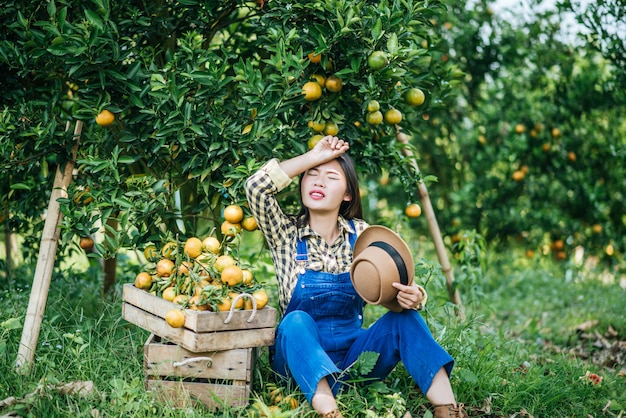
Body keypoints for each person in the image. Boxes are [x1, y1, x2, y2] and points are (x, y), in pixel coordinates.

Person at [244, 135, 468, 418]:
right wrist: (314, 157)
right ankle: (330, 412)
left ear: (348, 194)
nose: (319, 181)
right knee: (295, 321)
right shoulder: (285, 233)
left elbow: (395, 282)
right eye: (311, 175)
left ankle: (448, 409)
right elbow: (255, 187)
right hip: (298, 369)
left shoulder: (362, 236)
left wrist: (414, 295)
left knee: (405, 319)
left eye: (331, 176)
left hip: (354, 363)